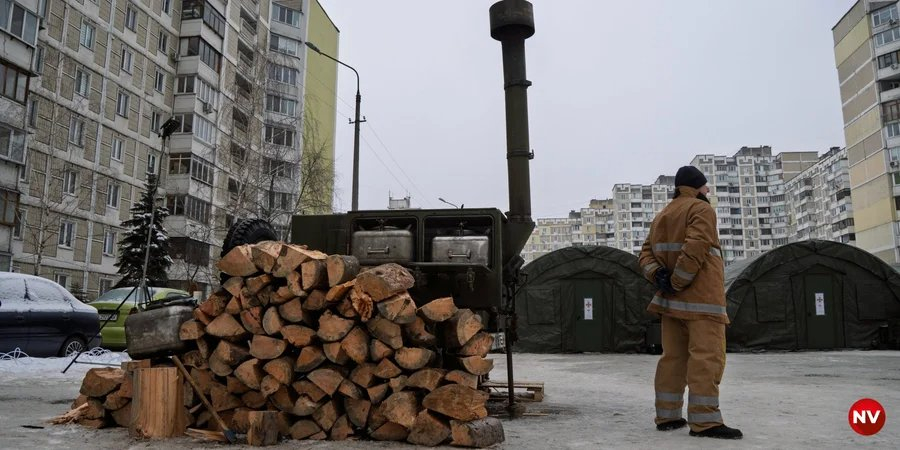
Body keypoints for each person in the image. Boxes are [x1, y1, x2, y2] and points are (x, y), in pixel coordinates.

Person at [638, 166, 743, 440]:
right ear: (696, 187)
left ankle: (668, 415)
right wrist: (678, 281)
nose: (708, 191)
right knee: (707, 359)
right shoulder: (701, 210)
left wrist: (659, 276)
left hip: (671, 305)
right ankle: (706, 422)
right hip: (701, 303)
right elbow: (695, 248)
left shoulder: (663, 215)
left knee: (673, 359)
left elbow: (645, 254)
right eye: (705, 186)